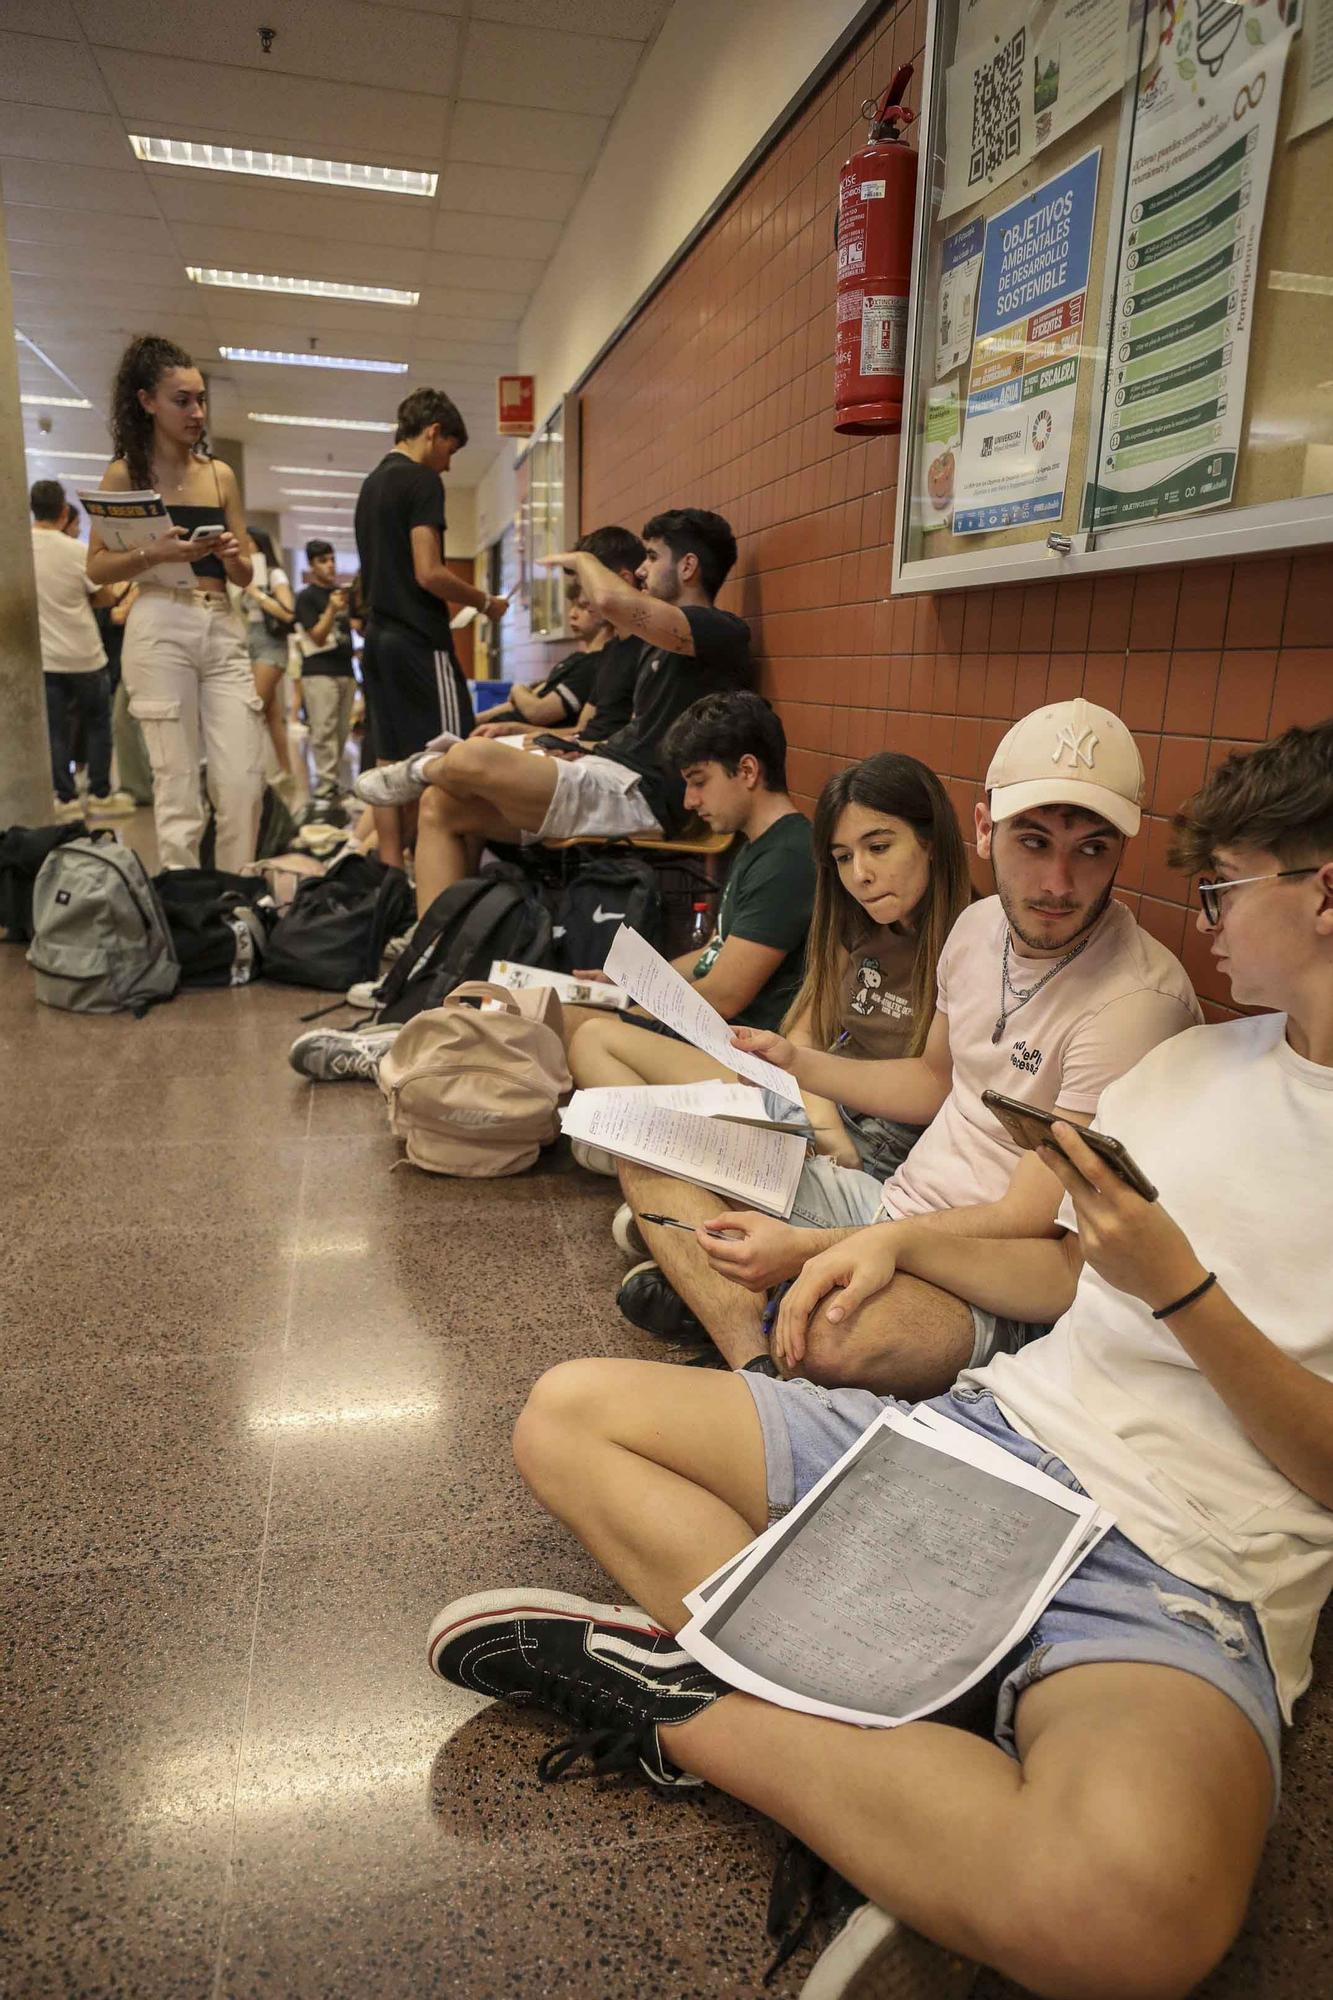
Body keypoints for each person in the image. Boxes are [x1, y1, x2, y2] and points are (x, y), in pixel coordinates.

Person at [427, 718, 1333, 2000]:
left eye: (1223, 887)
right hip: (1001, 1437)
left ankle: (687, 1703)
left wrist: (1179, 1290)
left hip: (1193, 1560)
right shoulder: (1191, 1066)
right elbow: (1055, 1263)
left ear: (1325, 892)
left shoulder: (1144, 1013)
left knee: (1136, 1921)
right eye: (1035, 838)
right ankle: (923, 1796)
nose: (1208, 919)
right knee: (565, 1413)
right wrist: (883, 1245)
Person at [615, 699, 1201, 1377]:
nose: (1056, 883)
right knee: (646, 1146)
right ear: (984, 829)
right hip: (888, 1202)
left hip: (990, 1273)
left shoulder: (1136, 1003)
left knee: (841, 1336)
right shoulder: (977, 927)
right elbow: (931, 1083)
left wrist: (820, 1246)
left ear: (1122, 847)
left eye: (1091, 848)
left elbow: (1025, 1216)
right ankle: (756, 1364)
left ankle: (761, 1312)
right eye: (1032, 842)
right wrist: (797, 1061)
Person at [284, 686, 813, 1090]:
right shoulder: (758, 846)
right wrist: (629, 981)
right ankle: (409, 1045)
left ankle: (400, 1056)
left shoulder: (790, 856)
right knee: (534, 996)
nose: (691, 802)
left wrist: (637, 1005)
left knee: (543, 1017)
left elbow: (725, 993)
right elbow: (712, 955)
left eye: (698, 781)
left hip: (732, 1048)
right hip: (704, 1026)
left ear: (747, 770)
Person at [573, 749, 971, 1177]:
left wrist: (822, 1122)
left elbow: (931, 1087)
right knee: (591, 1037)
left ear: (929, 843)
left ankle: (650, 1165)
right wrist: (821, 1119)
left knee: (668, 1166)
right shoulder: (855, 918)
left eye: (878, 847)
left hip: (879, 1133)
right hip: (812, 1099)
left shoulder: (971, 936)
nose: (860, 874)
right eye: (843, 857)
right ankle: (653, 1158)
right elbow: (806, 1027)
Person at [354, 509, 752, 917]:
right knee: (440, 806)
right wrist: (582, 748)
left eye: (651, 556)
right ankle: (433, 961)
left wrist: (583, 560)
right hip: (609, 773)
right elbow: (643, 732)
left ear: (688, 566)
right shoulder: (659, 645)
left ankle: (416, 771)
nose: (641, 568)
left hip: (642, 798)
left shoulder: (720, 630)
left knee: (472, 758)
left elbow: (611, 600)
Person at [86, 334, 263, 871]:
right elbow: (95, 569)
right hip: (159, 620)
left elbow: (246, 572)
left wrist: (232, 556)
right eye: (182, 400)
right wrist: (151, 552)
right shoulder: (125, 475)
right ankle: (186, 911)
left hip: (221, 624)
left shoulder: (219, 474)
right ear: (147, 402)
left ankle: (236, 906)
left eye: (201, 400)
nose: (197, 412)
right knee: (178, 787)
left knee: (242, 784)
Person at [355, 386, 509, 869]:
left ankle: (390, 874)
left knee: (388, 761)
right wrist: (486, 602)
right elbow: (429, 572)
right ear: (433, 432)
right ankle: (442, 875)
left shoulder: (371, 485)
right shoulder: (421, 482)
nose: (448, 465)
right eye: (450, 451)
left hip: (377, 641)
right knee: (454, 755)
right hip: (419, 642)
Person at [472, 528, 647, 745]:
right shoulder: (613, 650)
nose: (582, 599)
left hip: (601, 761)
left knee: (470, 757)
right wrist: (517, 729)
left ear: (624, 580)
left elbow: (628, 744)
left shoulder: (647, 650)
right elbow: (583, 730)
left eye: (586, 587)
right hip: (585, 752)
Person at [29, 480, 133, 819]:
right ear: (63, 511)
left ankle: (66, 797)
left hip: (47, 659)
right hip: (86, 654)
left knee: (57, 729)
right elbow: (104, 597)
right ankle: (101, 792)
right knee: (98, 724)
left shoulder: (18, 548)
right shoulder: (76, 550)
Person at [293, 540, 357, 818]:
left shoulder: (342, 595)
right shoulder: (306, 597)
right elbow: (316, 636)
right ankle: (324, 786)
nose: (330, 565)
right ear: (311, 565)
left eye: (332, 559)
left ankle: (335, 783)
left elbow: (352, 629)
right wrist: (332, 609)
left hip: (345, 669)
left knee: (342, 730)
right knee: (324, 730)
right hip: (318, 671)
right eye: (322, 561)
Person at [240, 526, 296, 789]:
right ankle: (286, 771)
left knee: (254, 708)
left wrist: (257, 594)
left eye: (248, 542)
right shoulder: (244, 574)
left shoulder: (275, 574)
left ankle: (248, 770)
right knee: (272, 713)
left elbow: (288, 613)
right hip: (249, 644)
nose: (245, 547)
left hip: (271, 646)